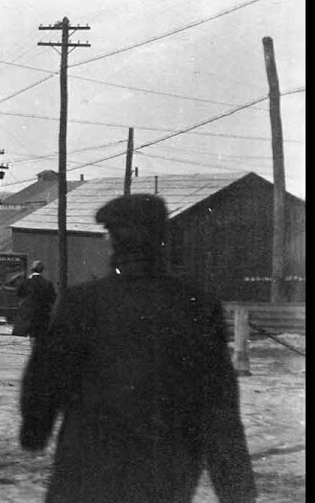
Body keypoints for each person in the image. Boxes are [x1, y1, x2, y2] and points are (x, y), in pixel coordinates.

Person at [19, 194, 256, 502]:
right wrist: (236, 489)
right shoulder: (197, 306)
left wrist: (35, 429)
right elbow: (218, 404)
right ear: (162, 240)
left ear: (113, 243)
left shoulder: (82, 303)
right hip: (165, 472)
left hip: (86, 467)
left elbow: (46, 377)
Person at [12, 260, 56, 343]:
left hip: (30, 313)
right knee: (41, 333)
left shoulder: (26, 282)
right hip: (43, 312)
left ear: (32, 270)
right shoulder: (47, 283)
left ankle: (33, 347)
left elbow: (19, 294)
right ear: (42, 271)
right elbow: (52, 298)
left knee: (32, 334)